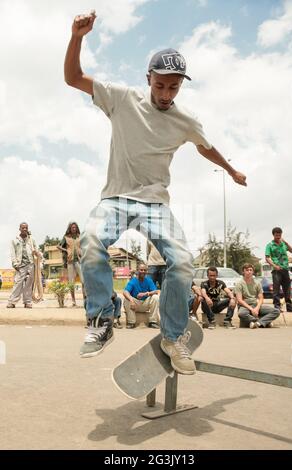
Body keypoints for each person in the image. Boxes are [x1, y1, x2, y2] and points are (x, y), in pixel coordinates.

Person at [64, 11, 246, 374]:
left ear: (181, 85)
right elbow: (73, 78)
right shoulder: (121, 97)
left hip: (155, 205)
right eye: (160, 85)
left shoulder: (186, 120)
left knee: (181, 262)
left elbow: (205, 146)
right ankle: (102, 319)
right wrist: (76, 37)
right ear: (149, 78)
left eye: (173, 87)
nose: (166, 94)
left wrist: (230, 169)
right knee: (90, 241)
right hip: (115, 198)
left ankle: (173, 336)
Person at [236, 263, 280, 328]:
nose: (249, 272)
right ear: (243, 271)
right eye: (247, 270)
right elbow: (239, 300)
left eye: (251, 270)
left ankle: (258, 323)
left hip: (255, 305)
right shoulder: (239, 283)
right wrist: (251, 309)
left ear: (253, 272)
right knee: (241, 314)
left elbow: (261, 298)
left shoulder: (257, 283)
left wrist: (257, 308)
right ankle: (262, 322)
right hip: (244, 306)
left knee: (276, 311)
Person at [265, 227, 292, 312]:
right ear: (273, 235)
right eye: (276, 235)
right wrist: (274, 265)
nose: (278, 236)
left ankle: (289, 306)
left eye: (279, 235)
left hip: (285, 269)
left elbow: (291, 251)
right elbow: (267, 258)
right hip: (276, 270)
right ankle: (277, 307)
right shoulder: (270, 245)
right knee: (276, 289)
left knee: (287, 289)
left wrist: (286, 242)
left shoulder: (283, 244)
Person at [7, 223, 39, 308]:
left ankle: (27, 302)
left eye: (26, 228)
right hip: (20, 264)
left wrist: (36, 252)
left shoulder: (31, 240)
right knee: (18, 283)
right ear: (20, 229)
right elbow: (12, 253)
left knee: (29, 284)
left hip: (31, 264)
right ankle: (12, 302)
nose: (25, 229)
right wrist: (14, 263)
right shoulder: (15, 240)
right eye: (23, 228)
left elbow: (37, 250)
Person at [123, 264, 160, 329]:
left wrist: (146, 294)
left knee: (155, 297)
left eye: (144, 270)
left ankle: (152, 322)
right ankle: (131, 322)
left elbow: (156, 291)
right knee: (126, 299)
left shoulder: (149, 280)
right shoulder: (133, 281)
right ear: (137, 270)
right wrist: (131, 300)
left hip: (146, 304)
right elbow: (125, 292)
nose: (143, 271)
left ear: (147, 271)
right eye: (141, 270)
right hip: (135, 305)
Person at [57, 222, 85, 307]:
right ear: (70, 228)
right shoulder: (66, 237)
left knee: (83, 281)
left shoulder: (80, 237)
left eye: (75, 227)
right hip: (70, 262)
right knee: (71, 283)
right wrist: (66, 250)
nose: (74, 229)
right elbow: (58, 246)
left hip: (79, 261)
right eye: (72, 227)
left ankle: (85, 300)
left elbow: (84, 246)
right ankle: (73, 301)